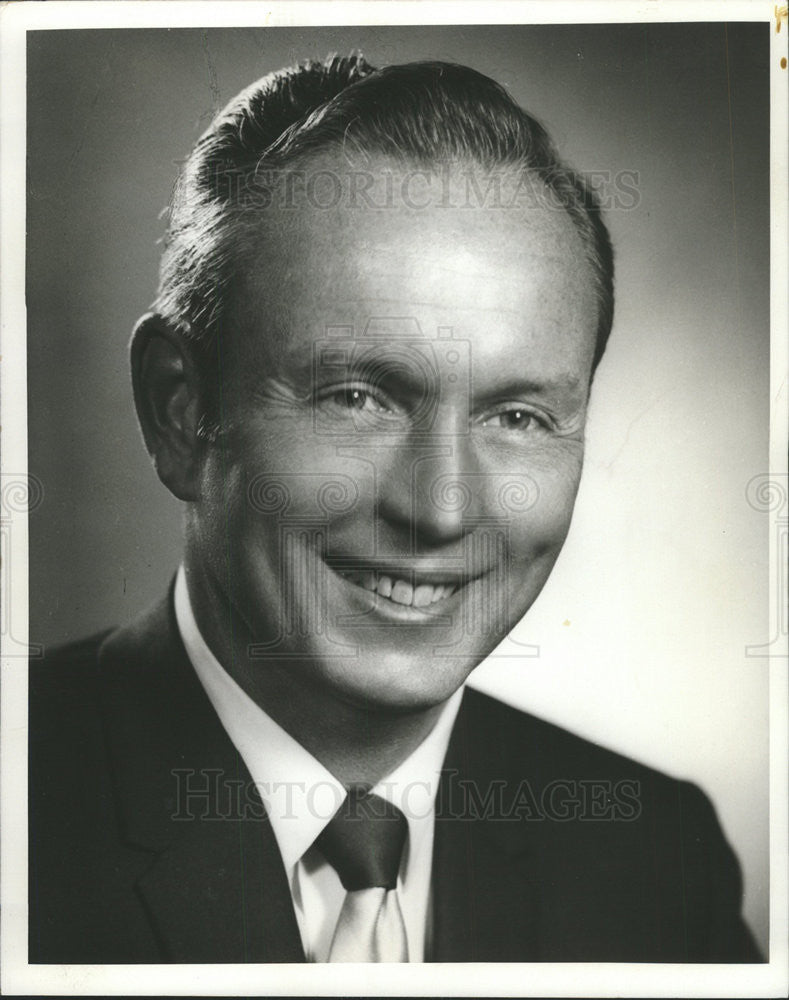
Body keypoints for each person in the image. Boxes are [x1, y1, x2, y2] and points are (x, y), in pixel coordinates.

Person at [28, 54, 762, 964]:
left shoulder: (655, 860)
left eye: (517, 415)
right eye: (356, 397)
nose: (443, 509)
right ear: (181, 412)